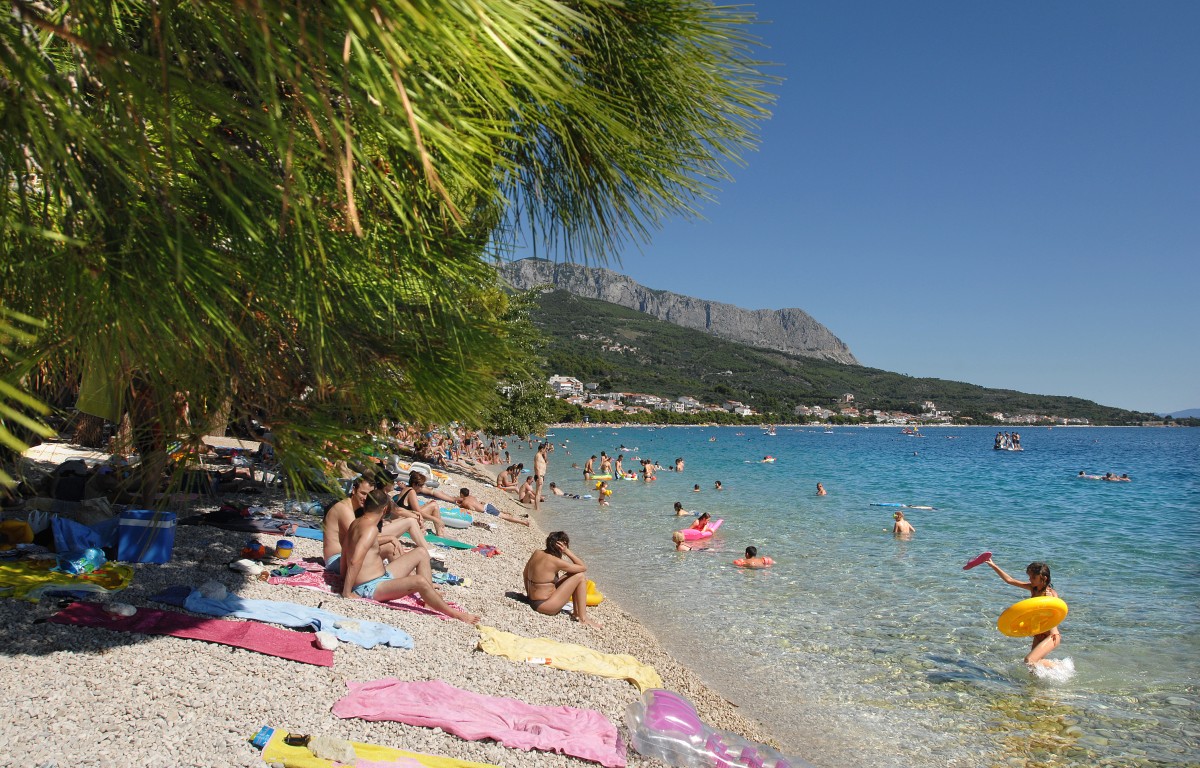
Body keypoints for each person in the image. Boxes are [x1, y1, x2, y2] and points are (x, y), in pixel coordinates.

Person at [339, 490, 479, 624]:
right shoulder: (371, 529)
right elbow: (354, 559)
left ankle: (429, 601)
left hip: (379, 578)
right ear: (385, 509)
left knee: (421, 552)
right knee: (419, 581)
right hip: (370, 587)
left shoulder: (356, 523)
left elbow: (345, 550)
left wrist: (342, 577)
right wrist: (347, 592)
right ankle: (456, 614)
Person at [983, 558, 1062, 667]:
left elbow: (1058, 611)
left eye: (1033, 577)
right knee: (1033, 670)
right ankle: (1034, 684)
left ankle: (1058, 666)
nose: (1030, 579)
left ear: (1044, 578)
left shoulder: (1051, 594)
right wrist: (993, 565)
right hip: (1038, 634)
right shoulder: (1033, 589)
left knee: (1029, 660)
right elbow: (1010, 580)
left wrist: (1050, 601)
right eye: (1029, 576)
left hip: (1051, 636)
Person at [522, 531, 602, 628]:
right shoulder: (556, 561)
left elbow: (525, 574)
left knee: (572, 574)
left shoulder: (537, 553)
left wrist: (529, 595)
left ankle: (577, 613)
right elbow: (583, 567)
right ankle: (583, 618)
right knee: (580, 576)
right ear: (561, 546)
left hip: (532, 600)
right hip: (545, 605)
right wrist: (567, 551)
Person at [395, 471, 446, 536]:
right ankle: (440, 533)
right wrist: (436, 519)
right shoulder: (411, 492)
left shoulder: (406, 489)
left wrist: (425, 505)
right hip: (403, 521)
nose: (422, 487)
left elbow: (410, 509)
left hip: (401, 518)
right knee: (434, 506)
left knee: (432, 504)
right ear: (414, 484)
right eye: (421, 485)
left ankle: (440, 532)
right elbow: (418, 512)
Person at [456, 487, 530, 526]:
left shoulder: (465, 502)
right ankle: (510, 514)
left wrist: (460, 505)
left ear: (461, 494)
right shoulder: (471, 497)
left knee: (505, 517)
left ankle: (523, 522)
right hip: (487, 505)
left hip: (487, 509)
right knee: (501, 513)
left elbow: (472, 508)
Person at [533, 442, 548, 512]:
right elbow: (536, 467)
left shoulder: (541, 456)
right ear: (542, 449)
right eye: (545, 449)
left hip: (541, 475)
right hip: (539, 476)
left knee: (539, 492)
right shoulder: (538, 456)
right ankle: (537, 508)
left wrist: (545, 456)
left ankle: (537, 507)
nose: (545, 451)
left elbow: (545, 463)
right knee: (538, 493)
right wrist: (539, 478)